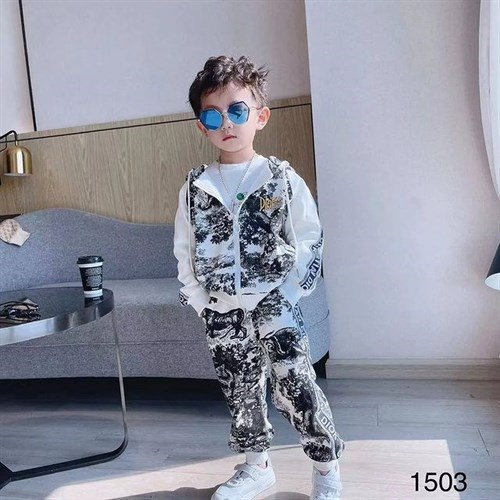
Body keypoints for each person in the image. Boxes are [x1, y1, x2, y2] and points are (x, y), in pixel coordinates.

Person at [173, 55, 346, 500]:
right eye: (213, 116)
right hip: (222, 312)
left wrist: (288, 293)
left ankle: (326, 467)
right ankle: (256, 467)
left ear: (260, 116)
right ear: (202, 126)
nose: (227, 123)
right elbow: (184, 250)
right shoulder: (195, 186)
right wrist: (202, 302)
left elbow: (309, 237)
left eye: (237, 110)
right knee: (240, 391)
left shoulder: (280, 179)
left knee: (298, 385)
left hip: (275, 306)